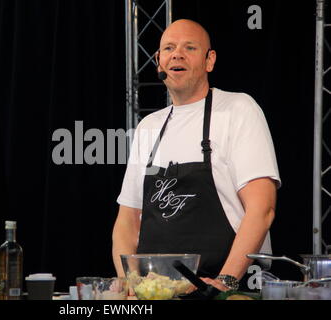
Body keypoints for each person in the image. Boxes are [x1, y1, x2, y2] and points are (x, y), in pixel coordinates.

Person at [112, 19, 281, 292]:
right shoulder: (148, 127)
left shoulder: (238, 109)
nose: (176, 54)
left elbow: (262, 209)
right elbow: (127, 220)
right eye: (168, 48)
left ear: (209, 60)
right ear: (159, 61)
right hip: (158, 292)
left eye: (189, 47)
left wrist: (224, 282)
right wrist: (130, 282)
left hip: (226, 290)